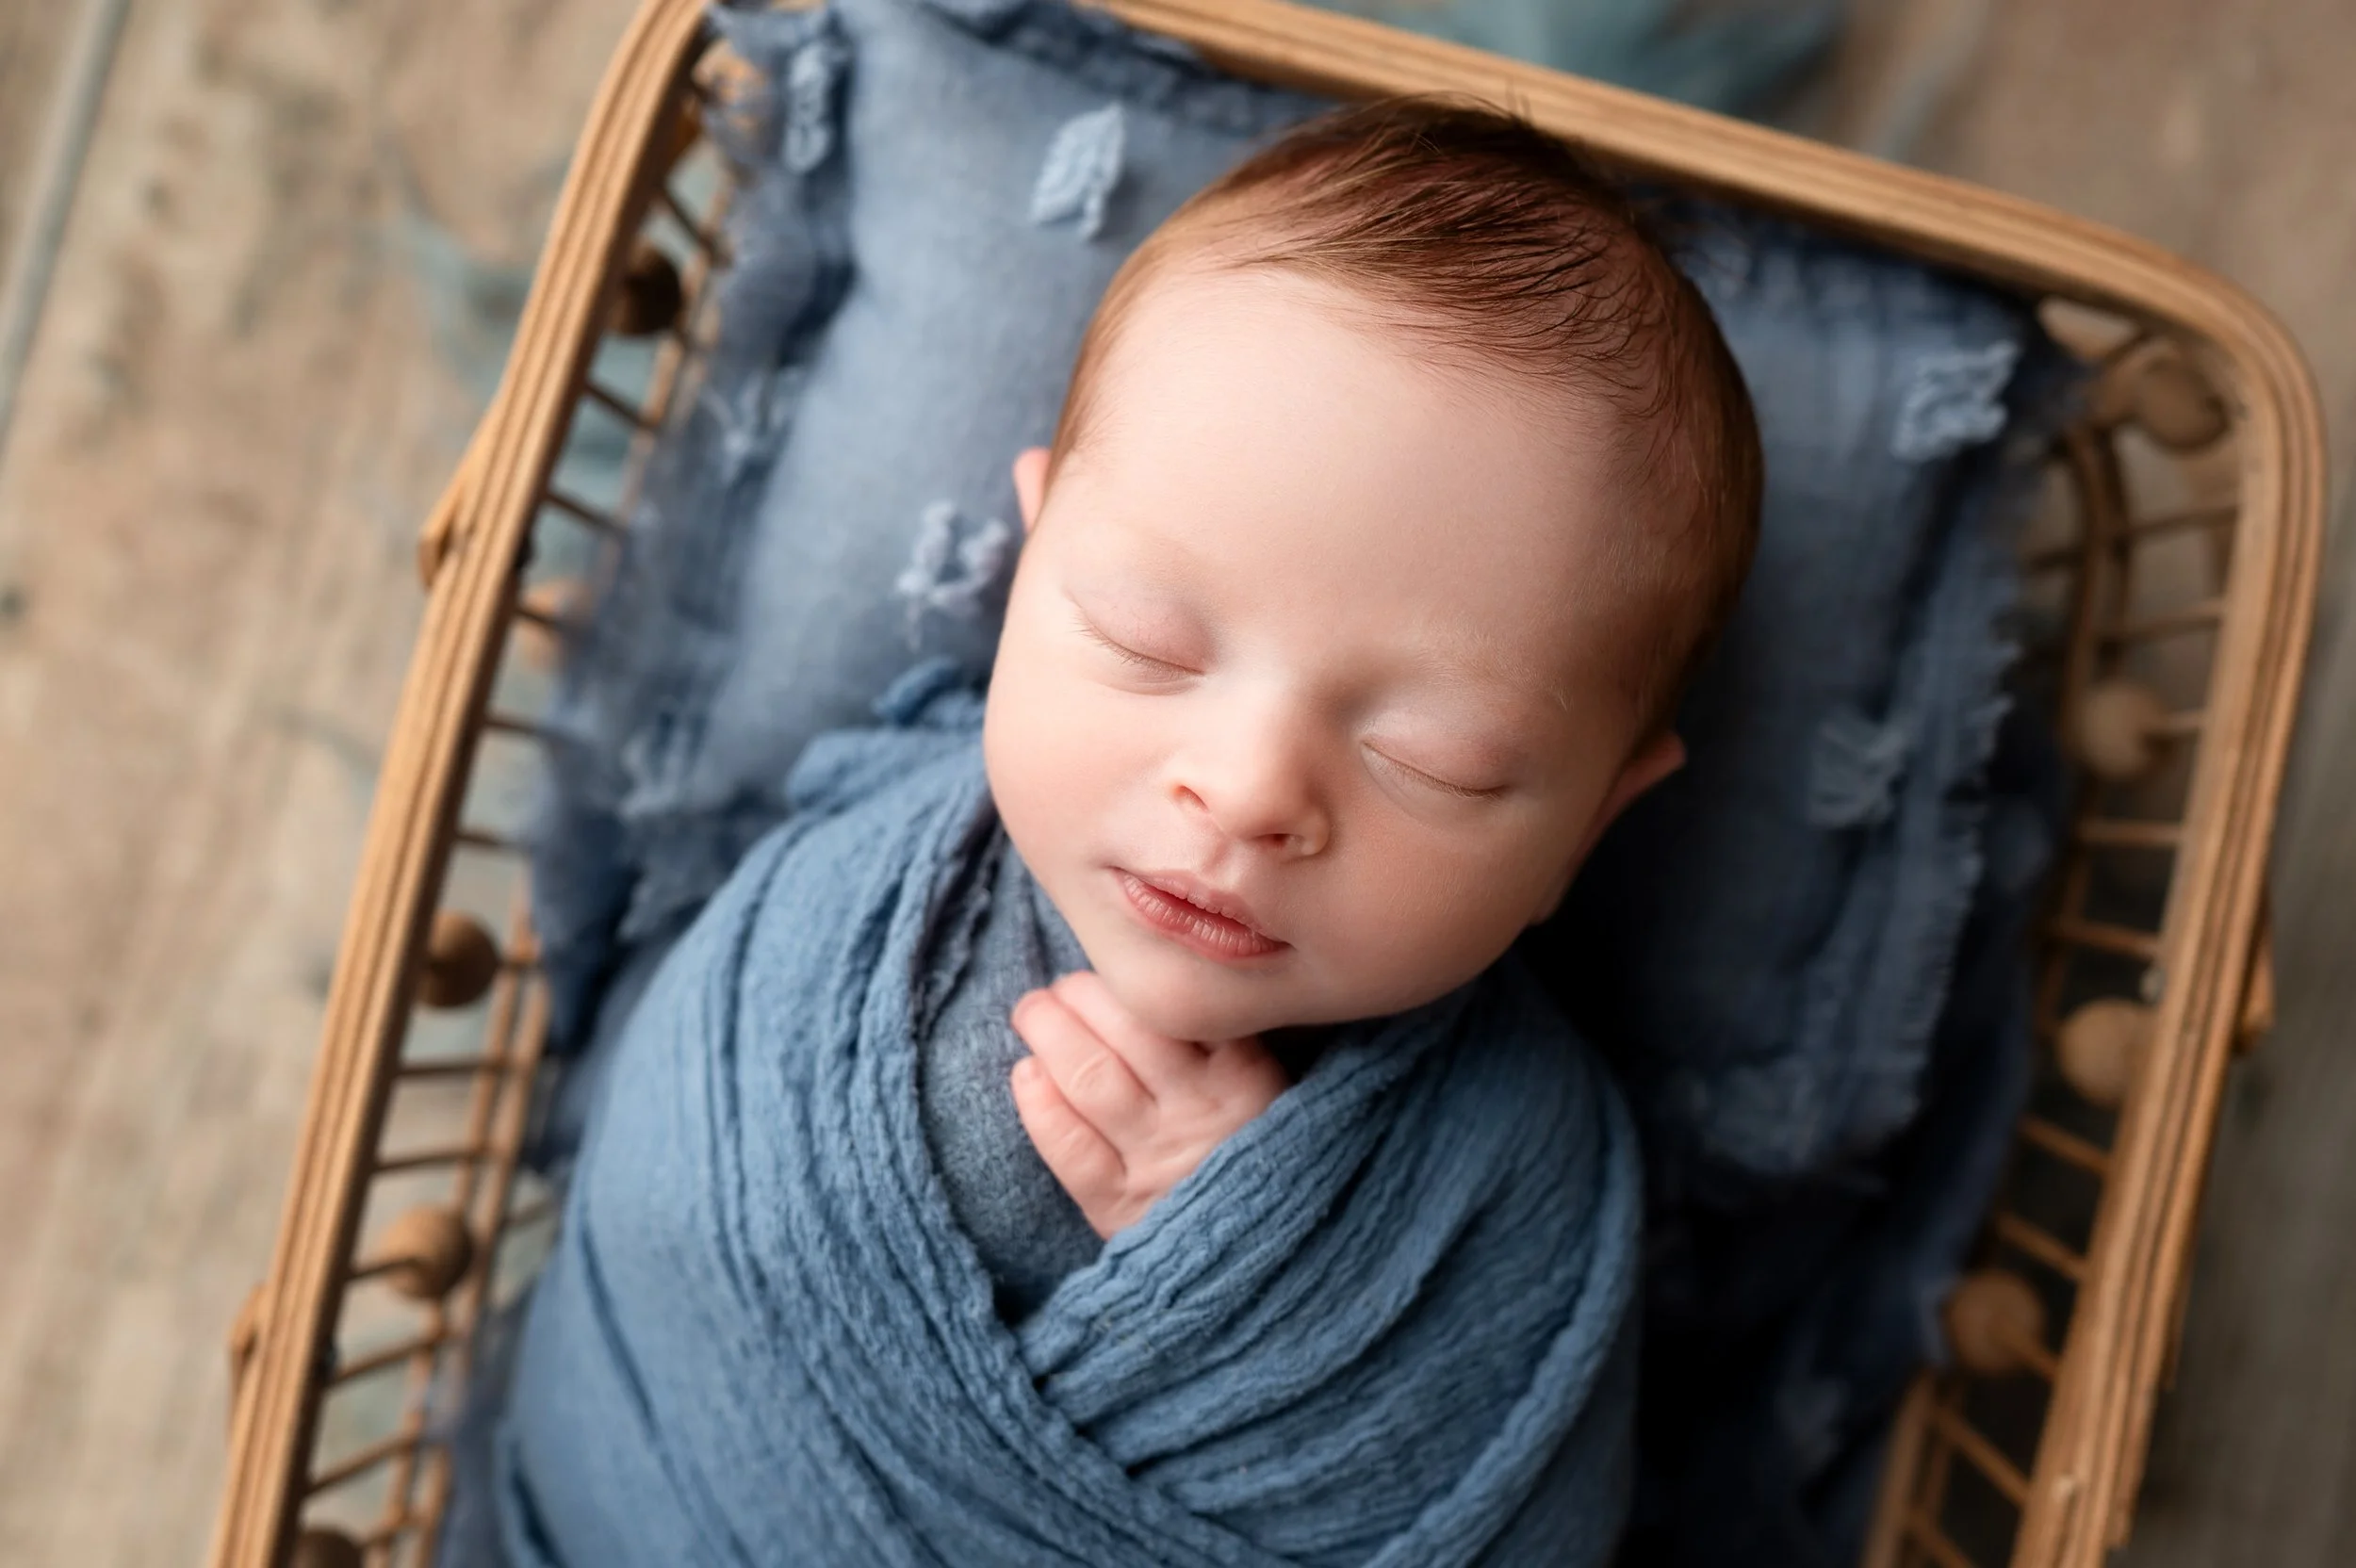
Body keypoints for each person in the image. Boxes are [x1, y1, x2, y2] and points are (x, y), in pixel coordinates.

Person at [490, 96, 1761, 1567]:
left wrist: (1281, 1274)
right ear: (1026, 575)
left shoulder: (1521, 1163)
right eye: (1150, 643)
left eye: (1438, 761)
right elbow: (667, 1191)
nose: (1248, 792)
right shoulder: (841, 898)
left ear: (1591, 823)